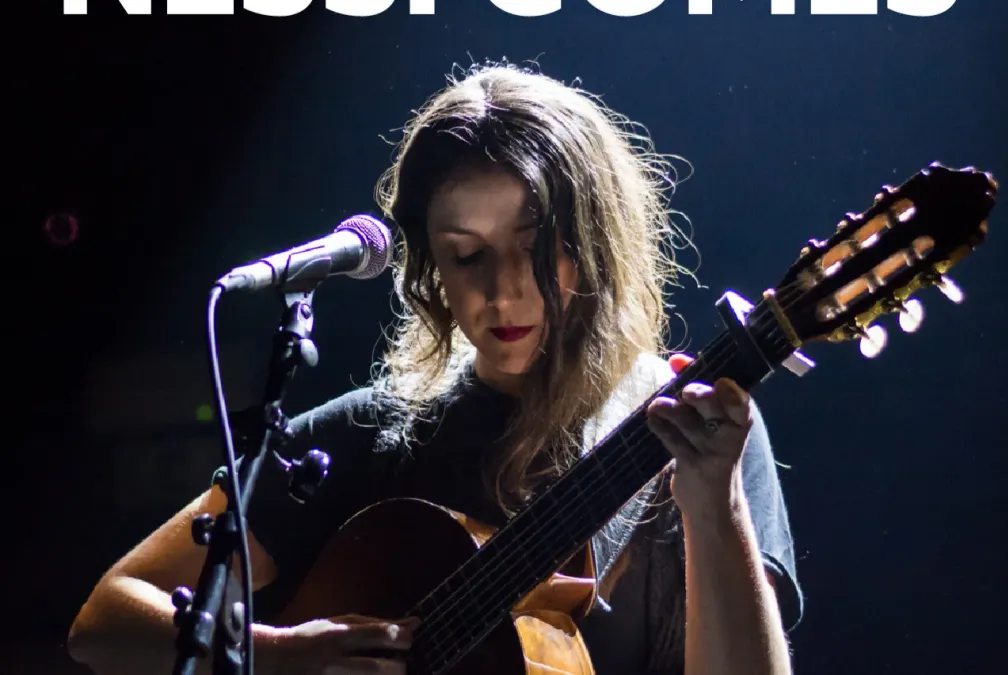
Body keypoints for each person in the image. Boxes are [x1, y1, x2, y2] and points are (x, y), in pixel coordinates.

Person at [67, 63, 803, 675]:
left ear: (595, 245)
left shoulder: (694, 427)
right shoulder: (365, 436)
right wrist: (281, 654)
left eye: (535, 246)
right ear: (430, 270)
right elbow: (106, 619)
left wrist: (716, 504)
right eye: (467, 254)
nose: (503, 291)